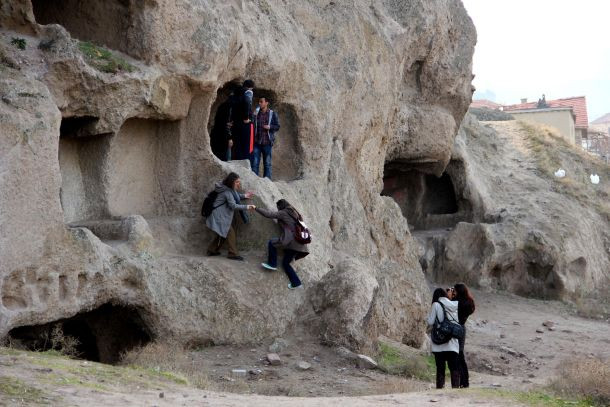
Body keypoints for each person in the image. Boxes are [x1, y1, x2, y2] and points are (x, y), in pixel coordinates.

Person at [255, 199, 309, 289]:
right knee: (285, 263)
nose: (278, 210)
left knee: (272, 243)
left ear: (280, 206)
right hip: (300, 244)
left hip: (291, 242)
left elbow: (269, 215)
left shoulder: (283, 213)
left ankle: (272, 264)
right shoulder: (295, 214)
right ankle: (297, 283)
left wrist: (256, 208)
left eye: (278, 208)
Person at [206, 172, 255, 261]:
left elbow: (234, 196)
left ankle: (212, 250)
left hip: (220, 215)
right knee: (230, 233)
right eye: (237, 182)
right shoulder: (227, 191)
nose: (239, 184)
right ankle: (233, 253)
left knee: (223, 233)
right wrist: (247, 207)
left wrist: (245, 195)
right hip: (219, 216)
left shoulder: (228, 189)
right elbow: (233, 205)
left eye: (239, 182)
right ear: (231, 182)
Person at [427, 288, 460, 389]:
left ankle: (440, 389)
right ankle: (456, 388)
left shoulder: (436, 305)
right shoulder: (456, 305)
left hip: (439, 343)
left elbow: (431, 322)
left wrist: (426, 318)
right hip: (452, 342)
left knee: (440, 368)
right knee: (454, 367)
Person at [250, 97, 280, 179]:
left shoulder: (272, 113)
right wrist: (253, 115)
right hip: (257, 142)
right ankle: (254, 181)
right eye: (259, 102)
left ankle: (267, 182)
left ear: (266, 103)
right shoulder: (257, 113)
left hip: (267, 143)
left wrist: (270, 127)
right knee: (255, 163)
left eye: (261, 102)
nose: (259, 103)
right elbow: (251, 123)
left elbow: (277, 126)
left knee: (267, 164)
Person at [454, 283, 475, 388]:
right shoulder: (468, 303)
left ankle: (460, 381)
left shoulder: (456, 303)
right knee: (461, 355)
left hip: (455, 329)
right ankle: (465, 381)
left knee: (457, 356)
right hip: (462, 328)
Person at [210, 87, 237, 161]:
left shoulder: (222, 106)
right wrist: (229, 138)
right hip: (223, 138)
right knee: (226, 158)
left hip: (218, 136)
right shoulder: (228, 107)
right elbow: (224, 124)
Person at [231, 79, 255, 160]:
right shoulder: (248, 92)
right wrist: (246, 118)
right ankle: (246, 169)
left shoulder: (235, 94)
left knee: (237, 147)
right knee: (248, 148)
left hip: (236, 123)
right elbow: (247, 102)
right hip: (245, 124)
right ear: (250, 87)